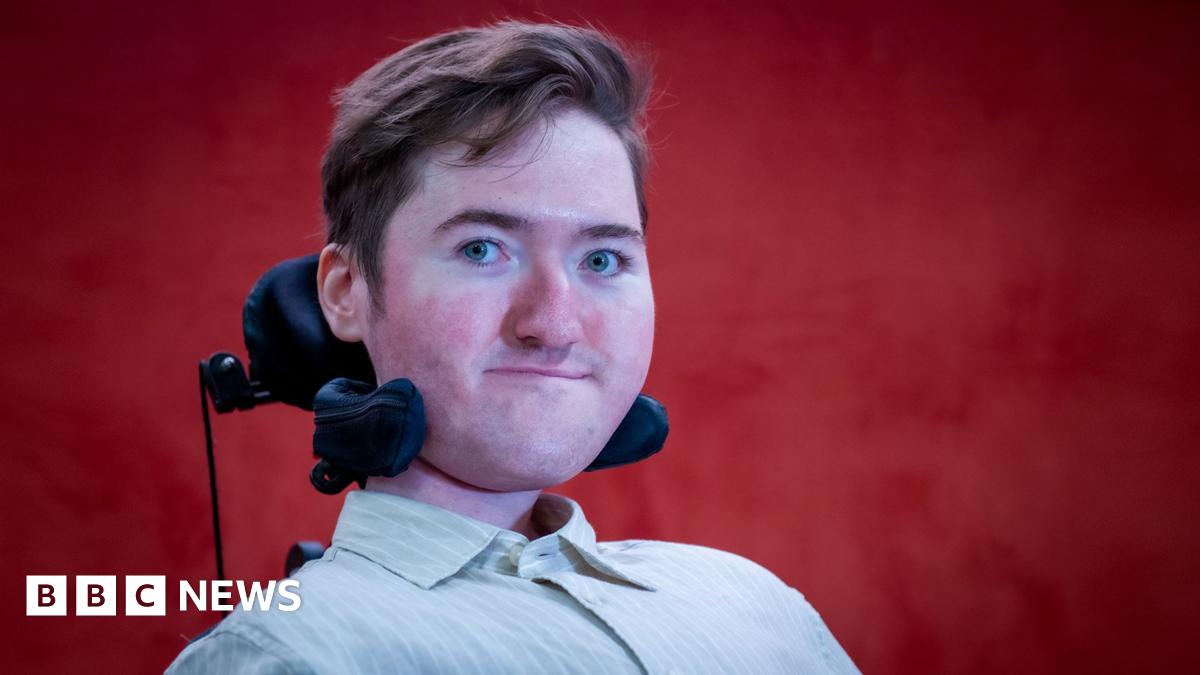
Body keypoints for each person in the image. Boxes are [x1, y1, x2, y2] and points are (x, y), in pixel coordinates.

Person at [167, 20, 858, 675]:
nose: (554, 323)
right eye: (482, 249)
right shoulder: (294, 654)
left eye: (603, 259)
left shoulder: (758, 606)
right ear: (347, 291)